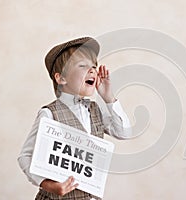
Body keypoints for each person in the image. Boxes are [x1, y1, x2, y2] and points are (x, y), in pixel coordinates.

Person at [18, 37, 131, 200]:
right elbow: (25, 157)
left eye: (94, 67)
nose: (92, 71)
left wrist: (108, 97)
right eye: (83, 66)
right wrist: (49, 185)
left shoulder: (95, 110)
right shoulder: (50, 114)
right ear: (61, 78)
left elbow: (124, 132)